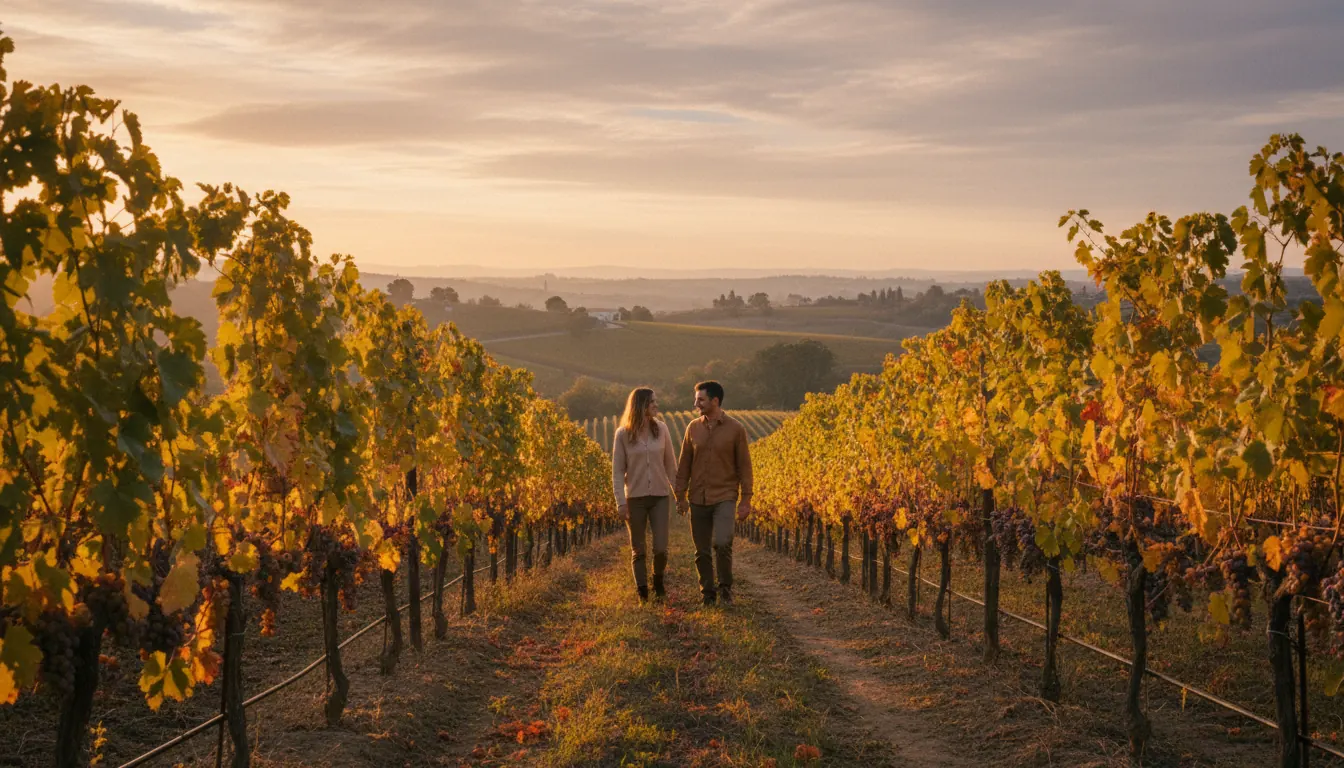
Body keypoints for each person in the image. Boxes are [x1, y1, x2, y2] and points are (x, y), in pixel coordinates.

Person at [674, 380, 753, 606]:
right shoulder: (692, 428)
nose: (696, 403)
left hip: (725, 495)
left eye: (700, 399)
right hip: (698, 497)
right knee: (702, 550)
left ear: (715, 401)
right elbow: (684, 465)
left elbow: (744, 467)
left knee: (722, 542)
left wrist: (746, 499)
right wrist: (680, 495)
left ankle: (725, 588)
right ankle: (707, 594)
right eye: (696, 399)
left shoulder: (736, 429)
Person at [611, 387, 678, 602]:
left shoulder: (662, 429)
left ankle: (657, 578)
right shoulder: (622, 434)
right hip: (635, 499)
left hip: (659, 496)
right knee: (638, 549)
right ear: (641, 406)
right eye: (652, 402)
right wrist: (620, 502)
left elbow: (670, 466)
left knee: (661, 549)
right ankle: (642, 593)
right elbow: (618, 472)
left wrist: (679, 494)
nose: (656, 405)